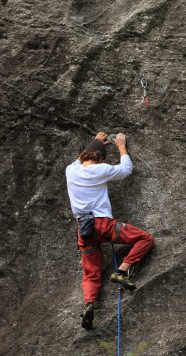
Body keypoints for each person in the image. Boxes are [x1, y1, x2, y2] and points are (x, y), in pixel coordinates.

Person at [65, 131, 154, 329]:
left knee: (90, 274)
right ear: (101, 159)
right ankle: (121, 272)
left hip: (85, 231)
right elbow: (125, 170)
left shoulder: (71, 170)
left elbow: (79, 160)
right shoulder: (100, 169)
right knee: (144, 239)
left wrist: (95, 142)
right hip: (103, 225)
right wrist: (121, 146)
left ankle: (89, 303)